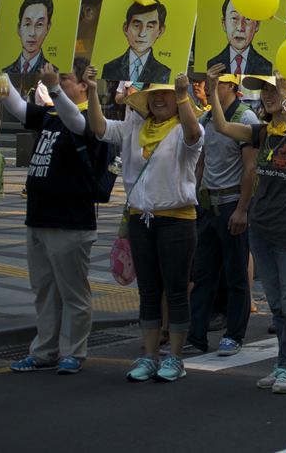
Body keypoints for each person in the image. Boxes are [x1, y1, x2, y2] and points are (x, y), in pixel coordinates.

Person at [85, 68, 203, 383]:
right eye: (155, 95)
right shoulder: (133, 127)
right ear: (147, 101)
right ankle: (150, 356)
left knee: (176, 291)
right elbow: (97, 127)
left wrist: (182, 95)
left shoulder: (184, 129)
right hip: (140, 218)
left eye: (167, 94)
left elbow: (195, 135)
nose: (161, 99)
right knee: (149, 291)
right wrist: (93, 88)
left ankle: (175, 358)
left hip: (177, 220)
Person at [204, 72, 286, 394]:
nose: (266, 95)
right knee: (278, 305)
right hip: (261, 227)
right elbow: (222, 126)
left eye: (272, 89)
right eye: (264, 91)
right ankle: (284, 363)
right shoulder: (260, 132)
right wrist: (212, 91)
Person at [0, 60, 105, 373]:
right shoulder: (49, 114)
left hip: (70, 221)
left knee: (73, 293)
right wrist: (0, 75)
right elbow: (15, 106)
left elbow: (76, 123)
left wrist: (54, 88)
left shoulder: (90, 117)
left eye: (66, 79)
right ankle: (44, 351)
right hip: (39, 218)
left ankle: (73, 352)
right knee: (44, 292)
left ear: (84, 86)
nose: (56, 83)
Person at [186, 69, 258, 357]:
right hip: (208, 206)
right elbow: (201, 162)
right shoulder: (205, 118)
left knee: (236, 273)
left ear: (230, 85)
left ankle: (235, 335)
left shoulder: (246, 118)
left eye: (212, 83)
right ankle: (196, 336)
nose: (203, 87)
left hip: (232, 205)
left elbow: (251, 168)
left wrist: (242, 210)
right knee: (202, 275)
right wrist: (194, 196)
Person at [100, 0, 172, 85]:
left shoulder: (165, 74)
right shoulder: (109, 68)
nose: (142, 34)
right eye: (137, 26)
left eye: (150, 27)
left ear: (160, 31)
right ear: (126, 28)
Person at [206, 0, 273, 77]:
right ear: (224, 24)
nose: (240, 28)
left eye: (247, 19)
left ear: (257, 25)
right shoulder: (212, 65)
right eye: (234, 18)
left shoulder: (267, 67)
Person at [5, 0, 55, 74]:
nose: (32, 33)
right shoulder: (5, 71)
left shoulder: (56, 73)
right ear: (19, 28)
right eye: (27, 24)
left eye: (39, 24)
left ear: (48, 27)